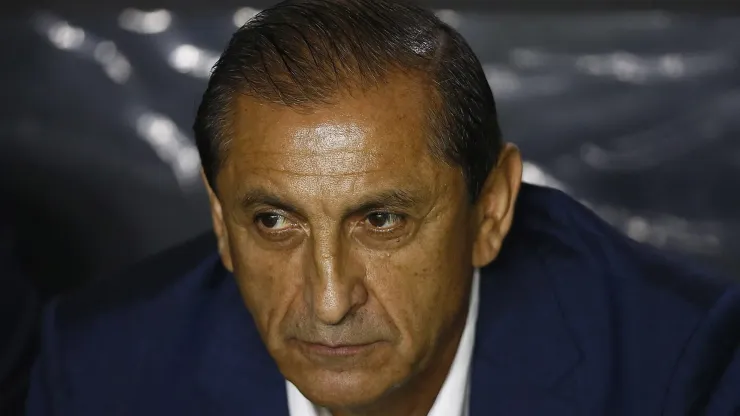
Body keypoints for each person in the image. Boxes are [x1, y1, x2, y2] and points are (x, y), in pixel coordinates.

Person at [26, 1, 740, 415]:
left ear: (490, 210)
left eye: (381, 220)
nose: (330, 301)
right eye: (274, 221)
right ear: (220, 221)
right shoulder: (98, 371)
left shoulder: (677, 368)